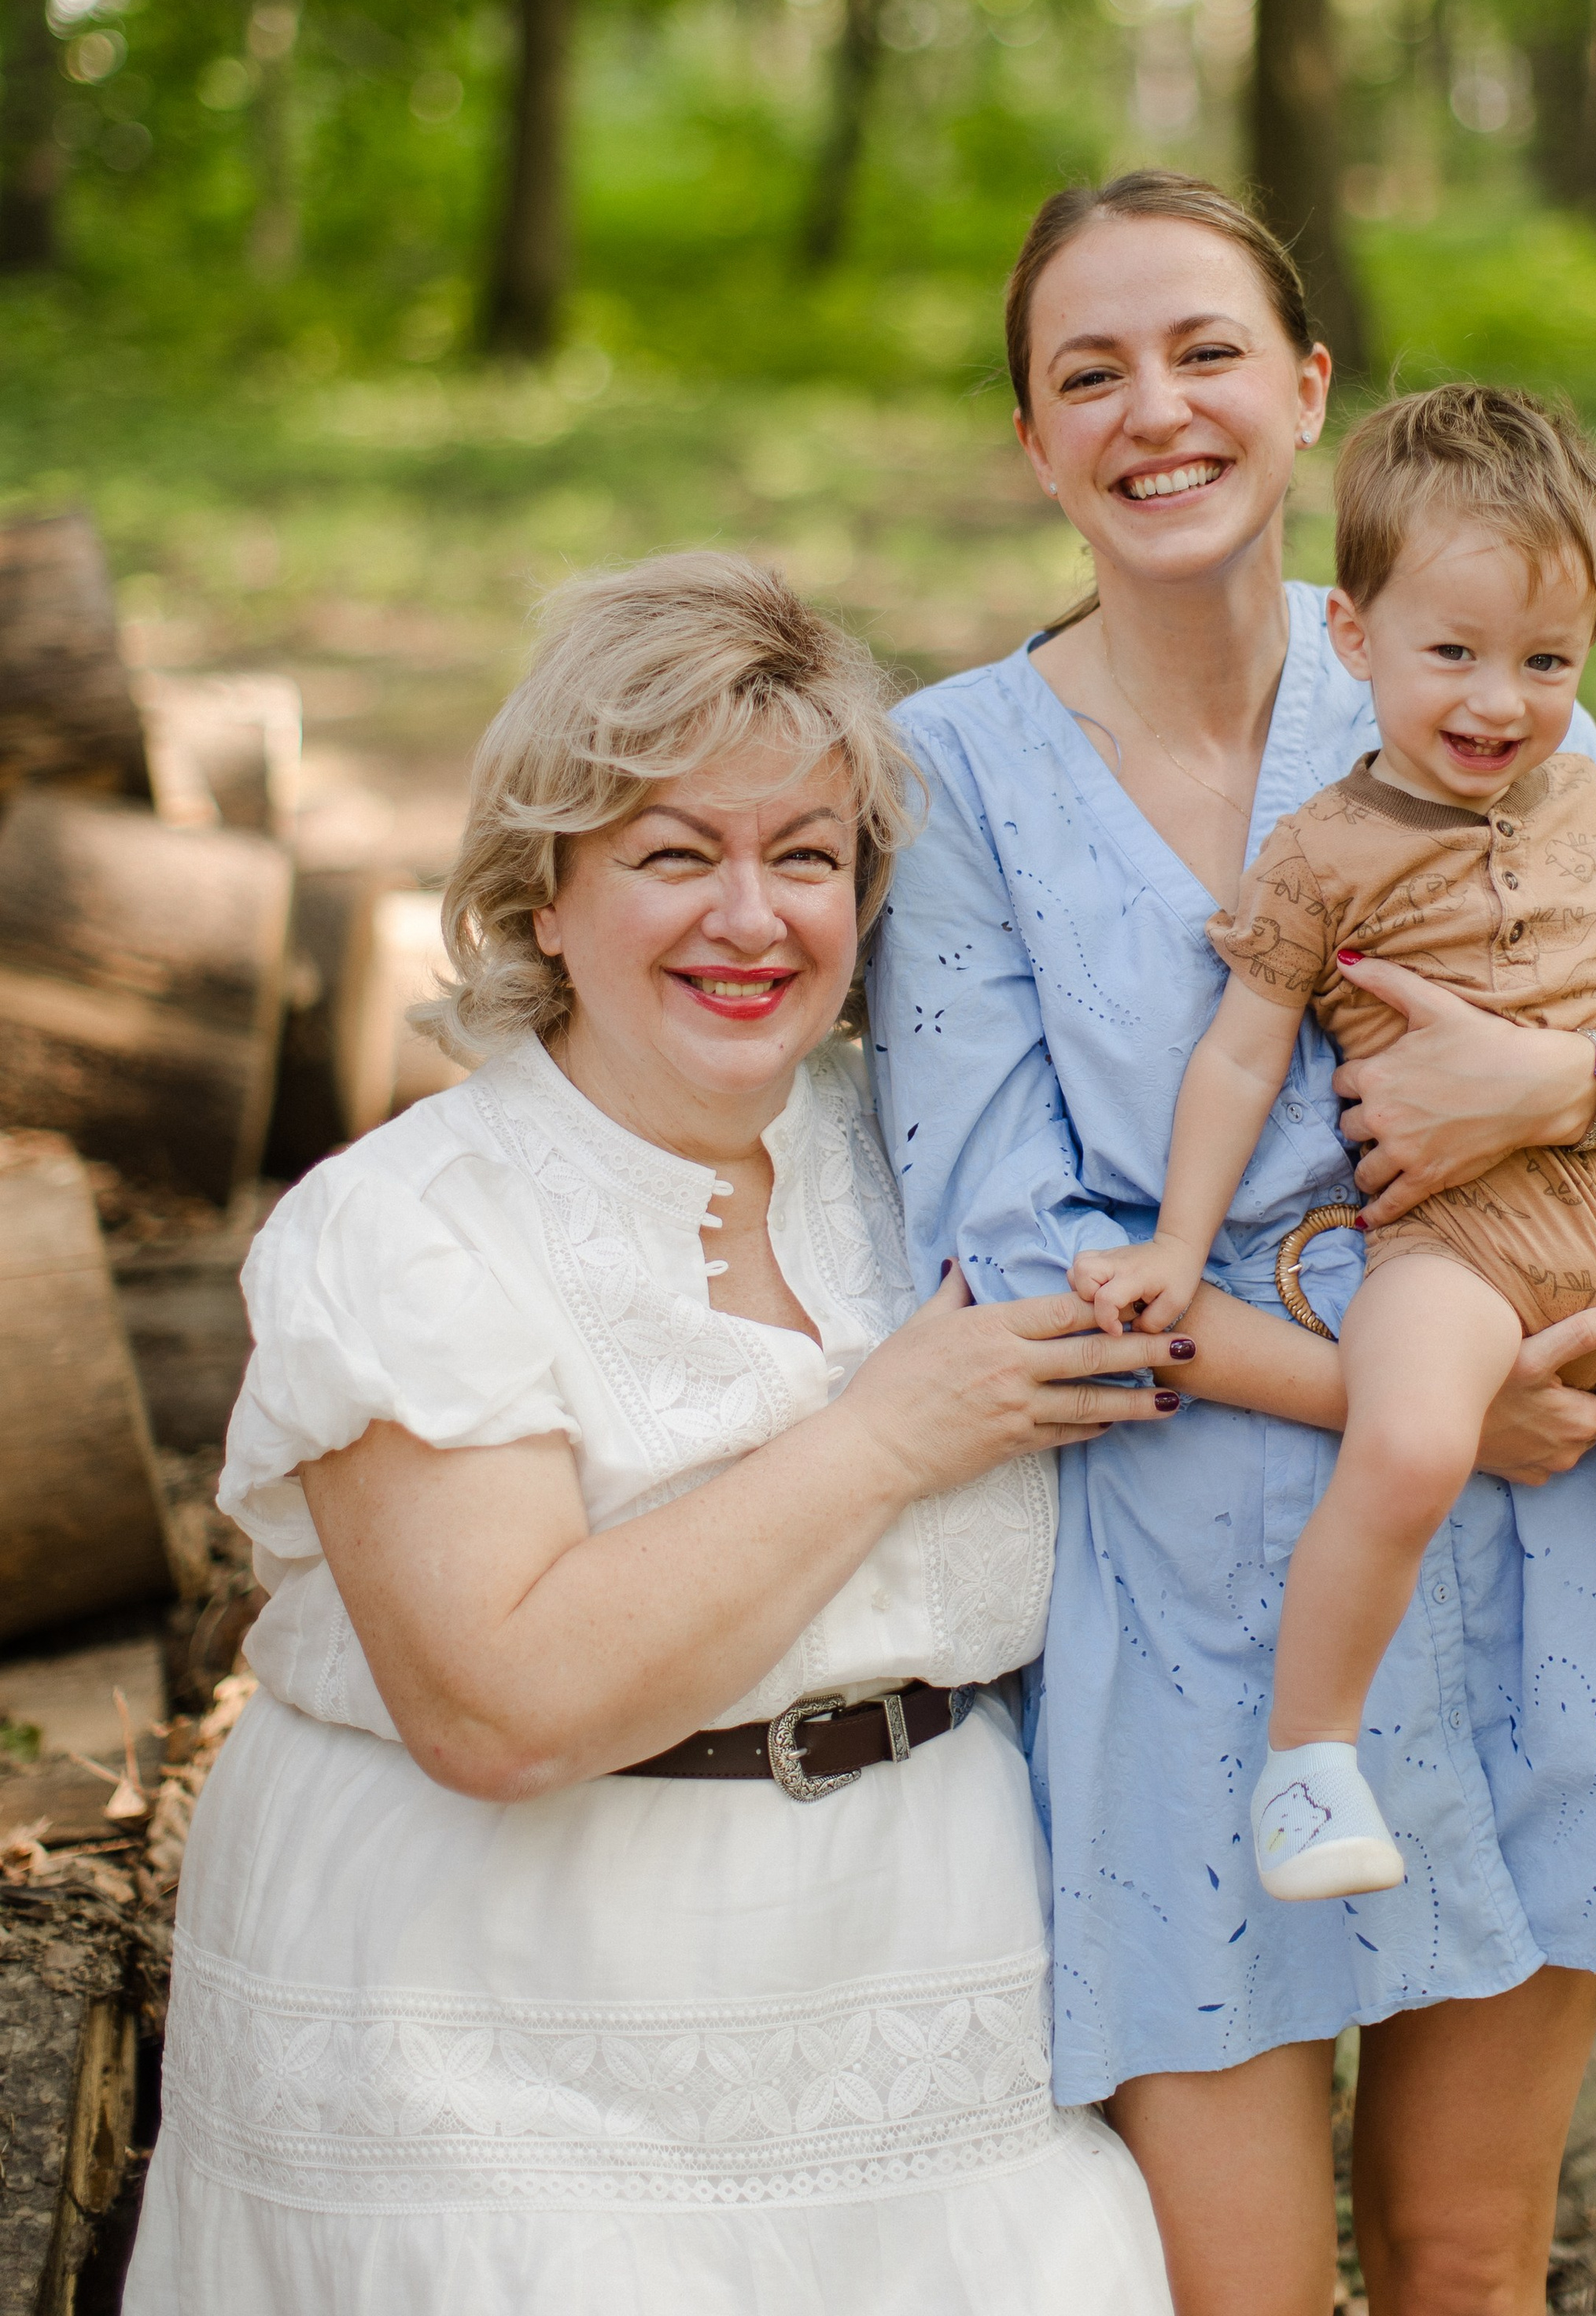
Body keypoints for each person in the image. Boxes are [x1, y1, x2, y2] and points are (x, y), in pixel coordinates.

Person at [865, 171, 1596, 2316]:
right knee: (1238, 2294)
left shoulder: (1474, 669)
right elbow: (1010, 1266)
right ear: (1031, 442)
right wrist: (1429, 1399)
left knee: (1467, 2257)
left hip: (1528, 1603)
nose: (1159, 409)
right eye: (1089, 372)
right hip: (1196, 1625)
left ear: (1306, 391)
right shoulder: (947, 782)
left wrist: (1555, 1083)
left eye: (1208, 350)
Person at [126, 554, 1176, 2316]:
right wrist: (883, 1437)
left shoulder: (930, 1158)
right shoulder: (410, 1227)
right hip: (487, 2020)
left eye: (806, 857)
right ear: (543, 894)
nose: (750, 919)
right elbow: (496, 1703)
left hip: (922, 1986)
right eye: (674, 855)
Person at [1070, 383, 1596, 2038]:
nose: (1500, 701)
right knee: (1405, 1448)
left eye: (1546, 664)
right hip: (1447, 1248)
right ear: (1351, 634)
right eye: (1454, 654)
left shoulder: (1586, 806)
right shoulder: (1323, 853)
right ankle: (1307, 1762)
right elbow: (1233, 1057)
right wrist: (1177, 1251)